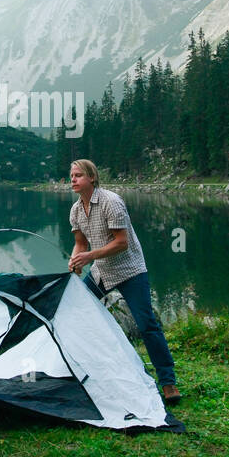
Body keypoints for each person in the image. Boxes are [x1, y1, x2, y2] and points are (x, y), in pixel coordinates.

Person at [66, 159, 181, 404]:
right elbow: (80, 244)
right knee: (79, 316)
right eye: (71, 176)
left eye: (78, 175)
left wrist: (89, 256)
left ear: (92, 178)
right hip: (101, 272)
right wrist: (76, 260)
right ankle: (87, 372)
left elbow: (121, 243)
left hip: (130, 271)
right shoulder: (76, 210)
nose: (73, 180)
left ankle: (168, 382)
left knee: (147, 324)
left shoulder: (111, 201)